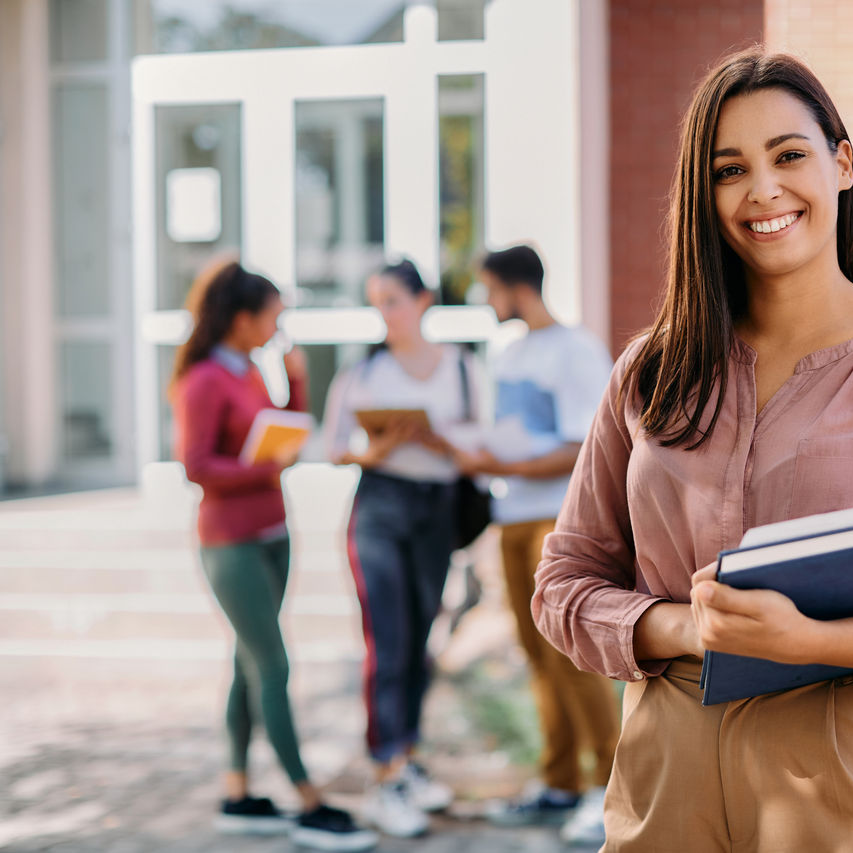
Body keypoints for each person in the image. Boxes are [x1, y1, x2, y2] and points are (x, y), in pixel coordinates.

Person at [531, 49, 853, 851]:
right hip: (666, 775)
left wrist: (813, 641)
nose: (763, 190)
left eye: (789, 155)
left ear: (841, 163)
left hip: (852, 768)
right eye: (730, 169)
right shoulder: (650, 372)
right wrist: (683, 628)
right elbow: (563, 585)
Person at [170, 258, 377, 852]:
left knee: (247, 661)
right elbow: (196, 466)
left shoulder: (251, 372)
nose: (278, 325)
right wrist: (265, 467)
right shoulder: (205, 379)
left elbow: (285, 429)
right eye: (272, 316)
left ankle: (237, 793)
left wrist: (298, 383)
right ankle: (307, 800)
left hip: (272, 534)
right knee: (274, 665)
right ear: (240, 319)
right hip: (230, 542)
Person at [452, 245, 619, 846]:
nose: (486, 302)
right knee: (536, 654)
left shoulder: (576, 351)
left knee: (574, 657)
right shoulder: (511, 353)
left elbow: (585, 445)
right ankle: (559, 784)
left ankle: (610, 790)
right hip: (510, 517)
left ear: (517, 288)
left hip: (559, 518)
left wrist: (505, 464)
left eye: (490, 289)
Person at [321, 260, 477, 837]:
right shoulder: (364, 373)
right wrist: (379, 448)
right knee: (386, 643)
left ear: (423, 300)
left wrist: (438, 440)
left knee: (420, 642)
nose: (384, 313)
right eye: (376, 302)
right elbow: (335, 446)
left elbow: (482, 447)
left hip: (437, 510)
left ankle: (406, 759)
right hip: (379, 508)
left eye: (392, 300)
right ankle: (385, 774)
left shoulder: (462, 368)